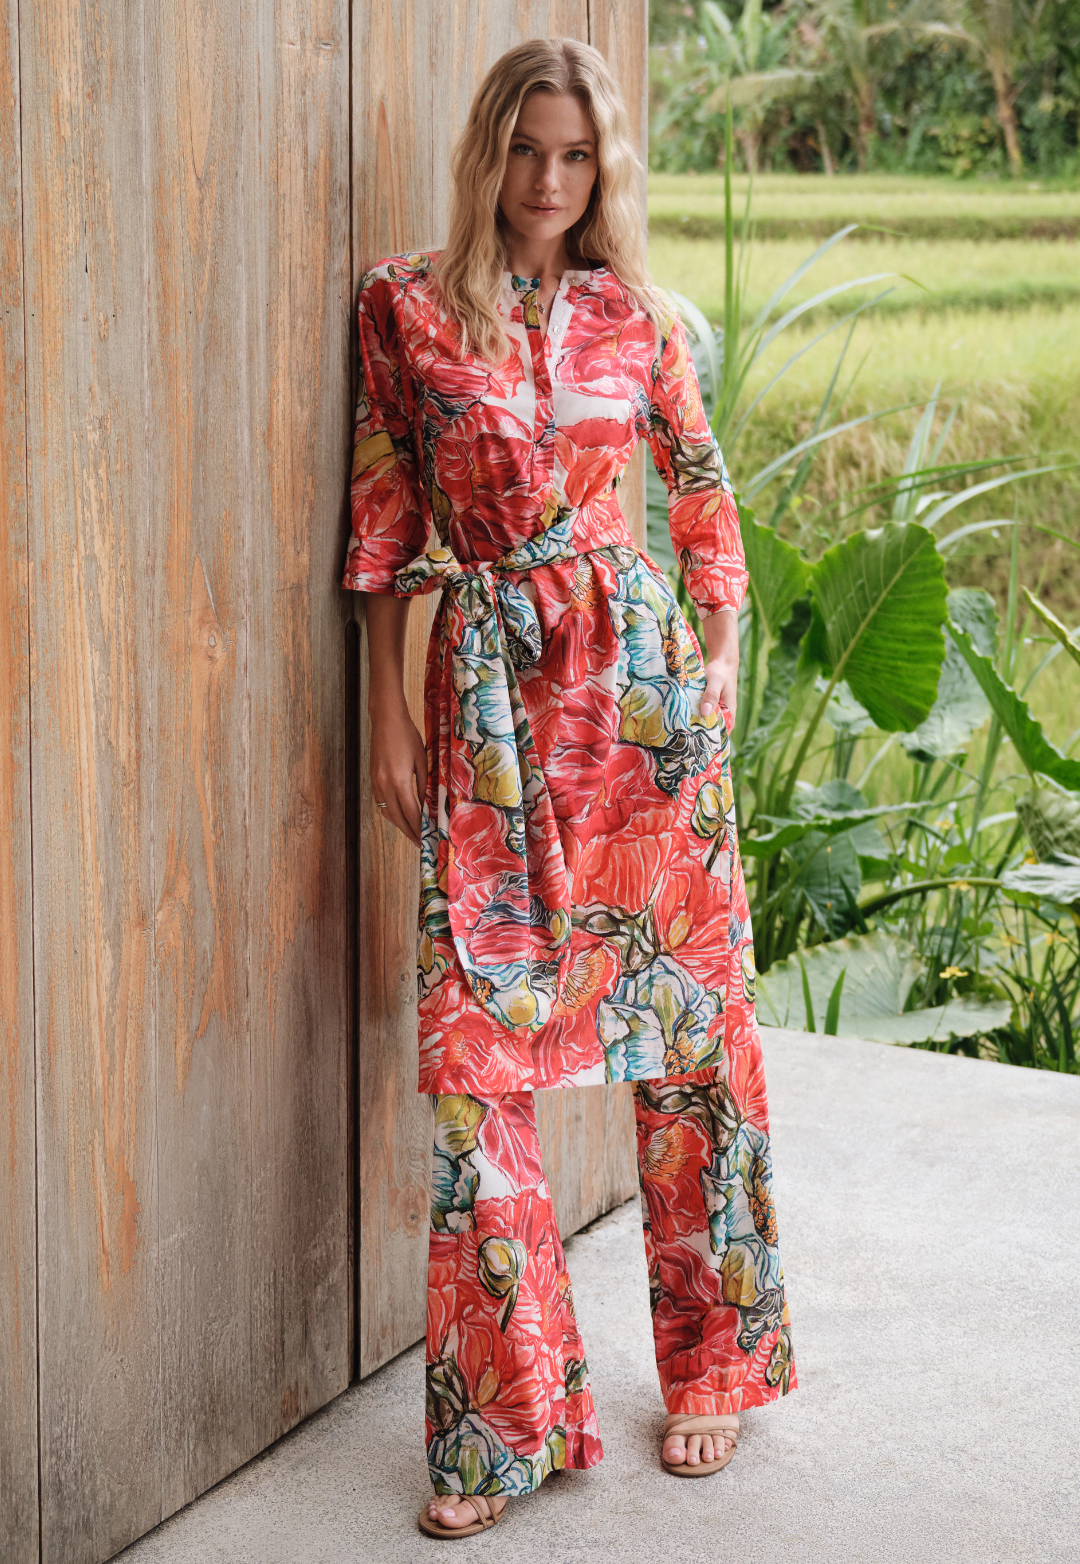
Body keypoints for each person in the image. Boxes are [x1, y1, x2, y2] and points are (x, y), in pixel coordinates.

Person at [344, 35, 796, 1541]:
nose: (549, 181)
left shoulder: (638, 315)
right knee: (479, 1071)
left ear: (606, 167)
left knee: (691, 1040)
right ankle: (506, 1428)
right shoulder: (401, 306)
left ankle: (716, 1359)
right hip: (477, 707)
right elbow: (382, 517)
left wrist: (719, 664)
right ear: (489, 152)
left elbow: (703, 491)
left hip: (639, 708)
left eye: (578, 155)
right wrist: (385, 720)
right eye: (527, 150)